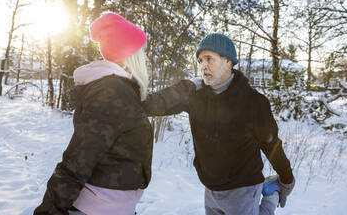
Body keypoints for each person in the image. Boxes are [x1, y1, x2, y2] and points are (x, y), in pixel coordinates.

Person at [142, 33, 295, 215]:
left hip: (243, 187)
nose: (203, 65)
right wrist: (186, 87)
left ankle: (271, 196)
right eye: (200, 60)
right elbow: (150, 106)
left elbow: (271, 143)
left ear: (228, 61)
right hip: (211, 188)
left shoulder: (253, 102)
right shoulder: (195, 97)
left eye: (209, 59)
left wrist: (286, 178)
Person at [34, 13, 153, 215]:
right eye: (142, 51)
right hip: (97, 209)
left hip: (113, 208)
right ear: (130, 55)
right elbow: (78, 158)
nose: (146, 58)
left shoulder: (122, 91)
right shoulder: (112, 92)